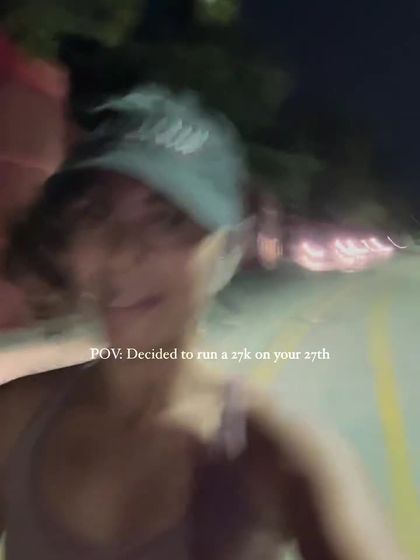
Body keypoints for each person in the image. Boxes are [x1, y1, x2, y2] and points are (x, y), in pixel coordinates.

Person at [0, 86, 406, 560]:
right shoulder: (15, 417)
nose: (121, 251)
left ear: (228, 249)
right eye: (95, 213)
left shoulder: (278, 460)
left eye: (167, 220)